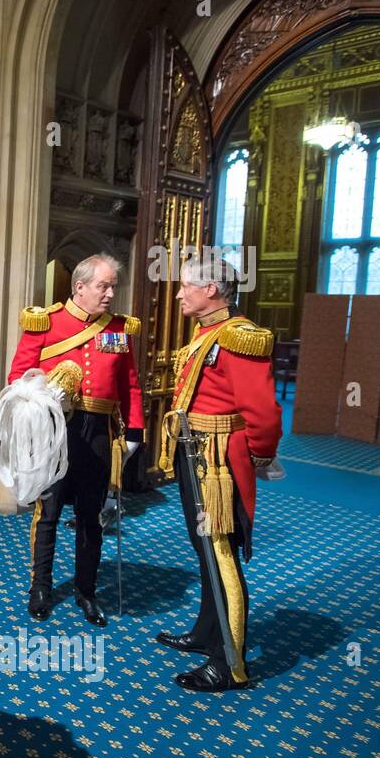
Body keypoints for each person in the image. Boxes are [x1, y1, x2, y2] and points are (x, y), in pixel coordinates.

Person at [156, 256, 281, 692]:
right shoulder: (209, 332)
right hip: (196, 455)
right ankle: (208, 631)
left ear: (210, 289)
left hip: (220, 463)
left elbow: (263, 413)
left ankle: (229, 662)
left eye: (185, 286)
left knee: (220, 552)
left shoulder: (239, 337)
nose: (178, 294)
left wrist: (260, 458)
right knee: (204, 548)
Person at [8, 253, 144, 626]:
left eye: (113, 286)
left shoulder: (118, 328)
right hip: (56, 429)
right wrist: (44, 398)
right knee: (48, 512)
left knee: (91, 516)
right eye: (104, 285)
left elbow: (129, 384)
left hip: (99, 432)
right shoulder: (46, 322)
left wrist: (134, 431)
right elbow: (17, 379)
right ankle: (40, 588)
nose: (110, 293)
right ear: (79, 287)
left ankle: (86, 591)